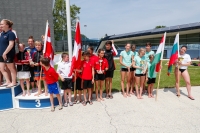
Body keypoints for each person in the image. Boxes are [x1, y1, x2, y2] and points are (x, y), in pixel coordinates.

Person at [0, 19, 17, 87]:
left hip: (8, 54)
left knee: (11, 68)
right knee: (1, 68)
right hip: (1, 54)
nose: (0, 26)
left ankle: (14, 82)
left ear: (7, 25)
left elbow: (11, 44)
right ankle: (8, 81)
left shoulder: (11, 33)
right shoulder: (2, 34)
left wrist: (5, 53)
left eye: (2, 24)